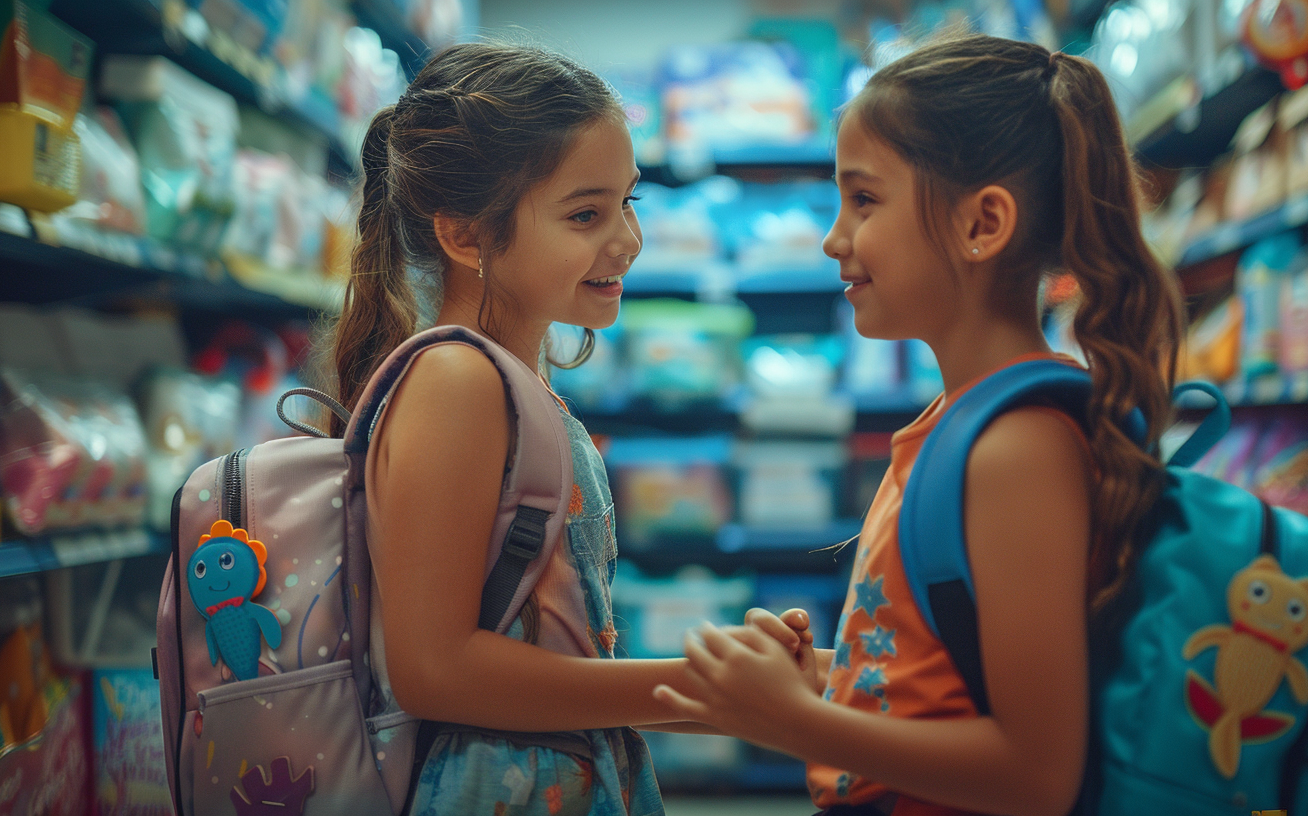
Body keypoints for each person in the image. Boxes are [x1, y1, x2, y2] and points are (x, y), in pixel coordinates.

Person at [653, 33, 1184, 816]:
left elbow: (1037, 773)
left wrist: (797, 719)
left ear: (984, 223)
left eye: (863, 200)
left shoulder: (1018, 448)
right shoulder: (959, 423)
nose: (834, 238)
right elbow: (946, 681)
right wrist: (825, 677)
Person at [328, 42, 701, 816]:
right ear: (465, 238)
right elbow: (431, 668)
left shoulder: (513, 380)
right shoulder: (457, 382)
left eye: (630, 202)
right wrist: (705, 692)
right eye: (586, 213)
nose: (628, 240)